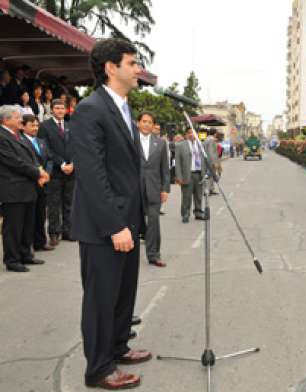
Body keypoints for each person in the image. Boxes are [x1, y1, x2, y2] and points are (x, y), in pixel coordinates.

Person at [70, 38, 150, 390]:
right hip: (106, 227)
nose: (138, 70)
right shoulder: (91, 109)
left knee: (122, 294)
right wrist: (115, 225)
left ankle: (118, 347)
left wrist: (134, 222)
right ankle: (99, 369)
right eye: (132, 63)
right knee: (102, 299)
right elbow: (92, 174)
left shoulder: (123, 107)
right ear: (110, 67)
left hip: (127, 223)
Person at [0, 106, 49, 272]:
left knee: (27, 224)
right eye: (16, 117)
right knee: (13, 227)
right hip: (13, 189)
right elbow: (14, 162)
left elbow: (31, 156)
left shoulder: (18, 135)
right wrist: (37, 173)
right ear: (6, 120)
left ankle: (25, 254)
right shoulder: (2, 137)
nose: (20, 120)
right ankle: (12, 259)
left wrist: (40, 170)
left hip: (28, 187)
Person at [38, 98, 74, 245]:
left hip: (72, 170)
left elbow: (77, 146)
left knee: (69, 202)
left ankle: (68, 231)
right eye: (57, 108)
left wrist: (72, 163)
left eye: (62, 108)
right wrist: (62, 164)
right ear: (52, 110)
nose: (60, 111)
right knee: (54, 203)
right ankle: (54, 232)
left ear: (66, 110)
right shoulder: (45, 126)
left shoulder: (72, 125)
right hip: (54, 170)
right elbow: (45, 149)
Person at [137, 111, 170, 268]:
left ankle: (154, 255)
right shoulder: (130, 141)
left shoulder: (161, 143)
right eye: (144, 121)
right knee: (132, 223)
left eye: (150, 122)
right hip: (133, 189)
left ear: (153, 125)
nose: (146, 124)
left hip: (154, 189)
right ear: (138, 123)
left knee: (154, 222)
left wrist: (165, 189)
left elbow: (165, 168)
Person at [20, 114, 55, 252]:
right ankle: (28, 245)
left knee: (41, 214)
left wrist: (47, 174)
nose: (35, 128)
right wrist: (39, 176)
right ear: (23, 126)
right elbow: (26, 162)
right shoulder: (21, 141)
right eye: (32, 125)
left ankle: (40, 242)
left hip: (44, 182)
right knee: (30, 217)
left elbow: (50, 159)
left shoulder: (42, 141)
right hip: (31, 182)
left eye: (36, 125)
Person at [175, 128, 206, 222]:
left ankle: (198, 213)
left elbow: (204, 159)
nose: (192, 134)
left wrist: (205, 173)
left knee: (199, 196)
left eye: (194, 132)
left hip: (199, 173)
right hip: (187, 174)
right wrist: (179, 177)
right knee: (186, 197)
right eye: (189, 133)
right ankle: (185, 214)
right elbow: (178, 162)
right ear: (186, 134)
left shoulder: (201, 145)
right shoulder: (180, 145)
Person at [203, 128, 219, 195]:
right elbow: (211, 152)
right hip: (210, 160)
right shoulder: (211, 140)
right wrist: (213, 162)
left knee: (211, 175)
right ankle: (208, 190)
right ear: (215, 133)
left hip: (206, 159)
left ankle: (211, 189)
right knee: (209, 176)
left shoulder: (207, 139)